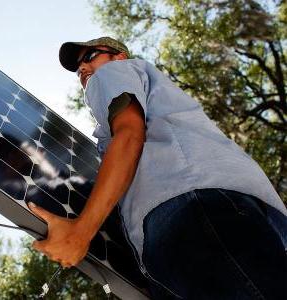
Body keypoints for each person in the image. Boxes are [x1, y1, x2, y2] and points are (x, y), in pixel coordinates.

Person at [28, 37, 287, 299]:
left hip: (191, 208)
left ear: (118, 56)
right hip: (225, 210)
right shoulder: (150, 92)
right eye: (77, 68)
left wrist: (80, 232)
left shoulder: (113, 72)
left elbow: (129, 134)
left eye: (90, 56)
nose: (82, 68)